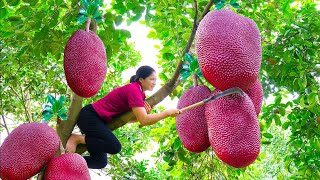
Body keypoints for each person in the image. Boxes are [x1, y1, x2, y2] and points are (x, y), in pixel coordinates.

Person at [65, 65, 181, 169]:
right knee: (114, 146)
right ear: (141, 79)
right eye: (152, 79)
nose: (154, 82)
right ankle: (78, 139)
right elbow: (144, 121)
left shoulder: (140, 93)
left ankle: (69, 162)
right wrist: (166, 113)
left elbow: (131, 120)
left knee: (99, 162)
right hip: (90, 116)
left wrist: (146, 114)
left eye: (155, 80)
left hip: (98, 121)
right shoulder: (134, 90)